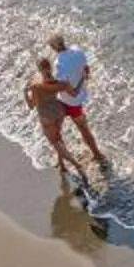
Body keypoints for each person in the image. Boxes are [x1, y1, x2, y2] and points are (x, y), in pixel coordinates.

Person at [22, 52, 84, 191]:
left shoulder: (35, 86)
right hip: (59, 111)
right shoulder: (58, 83)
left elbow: (31, 106)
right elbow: (75, 93)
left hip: (46, 116)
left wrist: (25, 93)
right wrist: (82, 79)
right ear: (50, 67)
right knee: (58, 136)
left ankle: (75, 163)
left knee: (54, 141)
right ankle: (61, 163)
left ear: (39, 70)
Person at [48, 31, 108, 173]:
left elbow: (66, 88)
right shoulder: (77, 50)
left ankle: (61, 162)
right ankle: (97, 155)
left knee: (57, 132)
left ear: (53, 47)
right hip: (77, 102)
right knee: (84, 129)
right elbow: (86, 69)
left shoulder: (58, 64)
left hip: (64, 101)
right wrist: (83, 78)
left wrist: (79, 81)